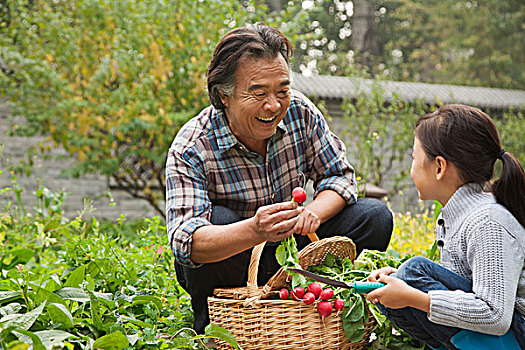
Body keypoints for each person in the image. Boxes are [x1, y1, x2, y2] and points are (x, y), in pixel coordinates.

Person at [166, 24, 393, 334]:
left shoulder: (301, 112)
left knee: (374, 216)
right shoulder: (192, 147)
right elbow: (184, 240)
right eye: (258, 93)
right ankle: (215, 324)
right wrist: (255, 229)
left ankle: (324, 312)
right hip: (235, 260)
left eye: (282, 90)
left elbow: (339, 176)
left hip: (297, 252)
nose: (273, 105)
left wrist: (313, 213)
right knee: (217, 218)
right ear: (224, 95)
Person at [366, 104, 525, 349]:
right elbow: (457, 287)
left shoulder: (489, 222)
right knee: (398, 285)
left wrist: (415, 296)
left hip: (515, 335)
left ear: (439, 167)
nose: (411, 169)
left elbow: (495, 315)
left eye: (414, 159)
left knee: (413, 272)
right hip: (501, 334)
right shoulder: (455, 216)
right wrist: (400, 282)